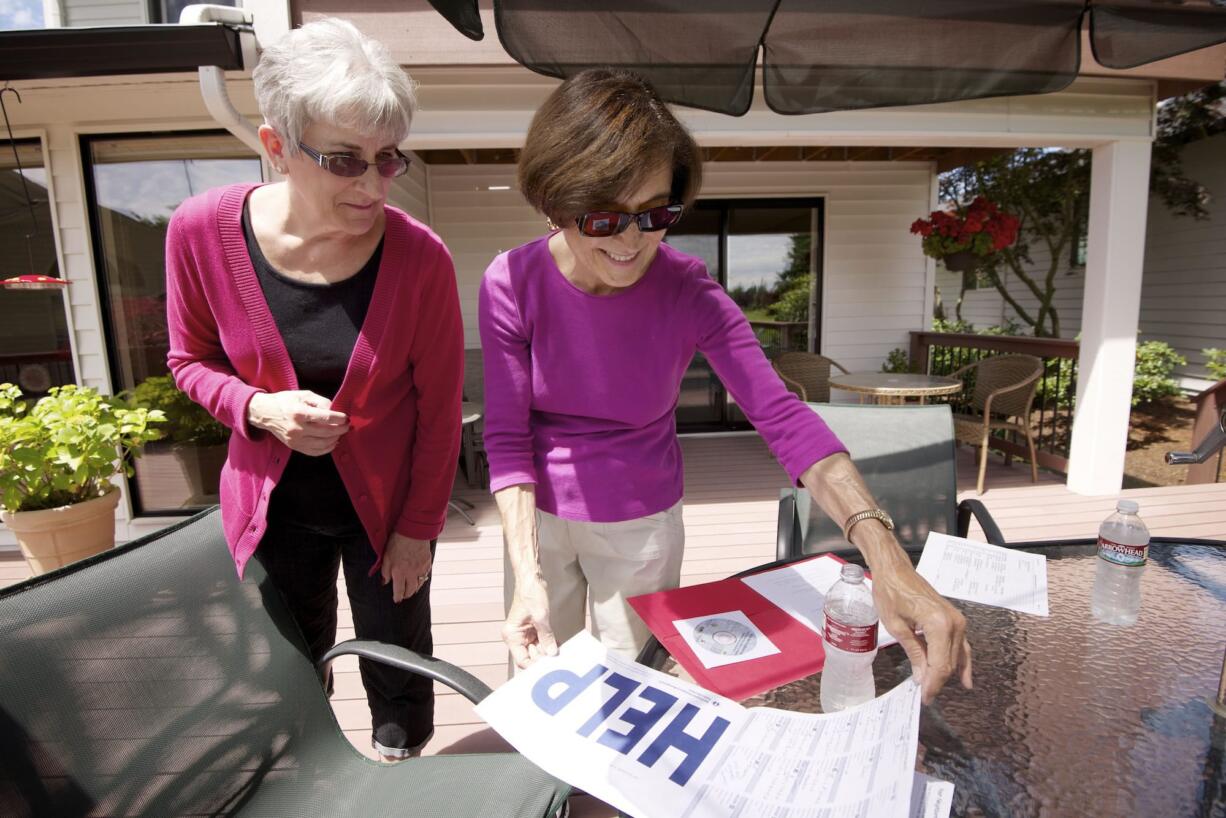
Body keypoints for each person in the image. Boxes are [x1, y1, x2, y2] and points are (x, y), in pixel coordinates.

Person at [480, 69, 972, 703]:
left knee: (631, 686)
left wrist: (886, 553)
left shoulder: (688, 291)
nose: (633, 242)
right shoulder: (512, 281)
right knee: (540, 682)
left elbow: (784, 418)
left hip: (641, 513)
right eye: (605, 219)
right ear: (554, 202)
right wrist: (527, 573)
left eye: (656, 214)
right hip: (536, 514)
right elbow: (507, 432)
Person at [165, 18, 463, 759]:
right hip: (273, 517)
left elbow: (438, 410)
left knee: (397, 670)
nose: (373, 184)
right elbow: (188, 361)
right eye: (343, 160)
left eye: (387, 158)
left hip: (386, 517)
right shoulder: (200, 233)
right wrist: (256, 407)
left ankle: (398, 781)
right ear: (275, 147)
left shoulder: (421, 260)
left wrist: (417, 527)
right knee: (290, 676)